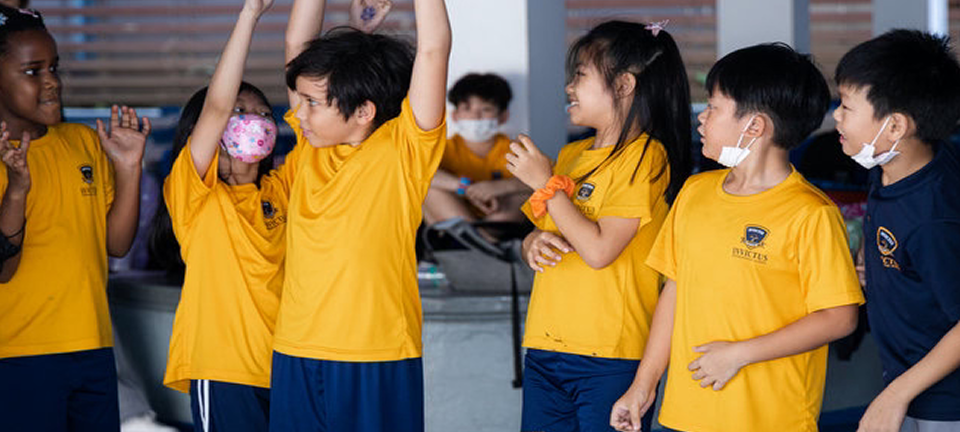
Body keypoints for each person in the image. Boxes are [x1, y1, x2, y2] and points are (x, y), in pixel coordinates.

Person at [610, 43, 864, 432]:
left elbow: (839, 317)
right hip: (686, 413)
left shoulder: (810, 213)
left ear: (755, 127)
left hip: (770, 418)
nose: (702, 119)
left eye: (713, 107)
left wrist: (740, 354)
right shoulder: (695, 193)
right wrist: (643, 385)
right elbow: (675, 292)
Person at [268, 0, 450, 430]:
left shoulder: (403, 151)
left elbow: (433, 50)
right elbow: (297, 43)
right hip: (296, 348)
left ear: (364, 112)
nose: (298, 113)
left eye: (313, 103)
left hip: (376, 353)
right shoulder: (309, 150)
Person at [506, 20, 692, 432]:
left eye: (580, 75)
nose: (569, 86)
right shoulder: (572, 155)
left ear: (624, 85)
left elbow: (599, 251)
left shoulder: (647, 158)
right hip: (544, 345)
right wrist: (532, 244)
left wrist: (544, 183)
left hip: (610, 354)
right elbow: (545, 233)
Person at [0, 4, 149, 431]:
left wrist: (129, 168)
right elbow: (5, 269)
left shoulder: (83, 142)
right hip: (18, 354)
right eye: (33, 71)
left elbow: (115, 244)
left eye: (54, 68)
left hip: (94, 345)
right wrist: (16, 188)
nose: (51, 83)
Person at [151, 1, 287, 430]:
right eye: (241, 112)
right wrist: (249, 15)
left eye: (265, 113)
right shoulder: (195, 193)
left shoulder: (282, 189)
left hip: (290, 366)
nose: (257, 121)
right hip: (225, 368)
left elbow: (311, 97)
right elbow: (215, 106)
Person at [833, 29, 960, 432]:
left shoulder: (934, 217)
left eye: (847, 106)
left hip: (943, 401)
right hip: (906, 379)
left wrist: (896, 394)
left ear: (895, 127)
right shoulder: (893, 167)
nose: (836, 115)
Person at [424, 73, 529, 229]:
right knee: (428, 189)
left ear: (503, 116)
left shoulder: (516, 149)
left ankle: (480, 241)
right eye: (467, 108)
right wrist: (465, 188)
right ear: (455, 115)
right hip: (456, 219)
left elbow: (546, 179)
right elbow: (417, 173)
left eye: (486, 109)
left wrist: (498, 187)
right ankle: (479, 239)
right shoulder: (443, 149)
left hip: (499, 220)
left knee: (526, 192)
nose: (475, 116)